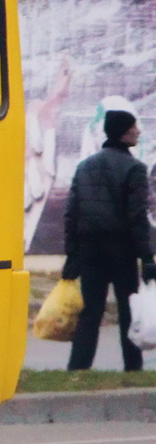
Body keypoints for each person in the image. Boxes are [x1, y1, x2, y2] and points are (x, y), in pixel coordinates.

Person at [62, 108, 156, 371]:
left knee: (90, 311)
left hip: (89, 250)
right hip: (121, 250)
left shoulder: (85, 166)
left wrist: (72, 255)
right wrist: (147, 257)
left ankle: (78, 370)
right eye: (134, 127)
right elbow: (137, 216)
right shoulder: (134, 168)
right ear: (125, 134)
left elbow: (72, 212)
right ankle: (133, 368)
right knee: (129, 311)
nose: (138, 131)